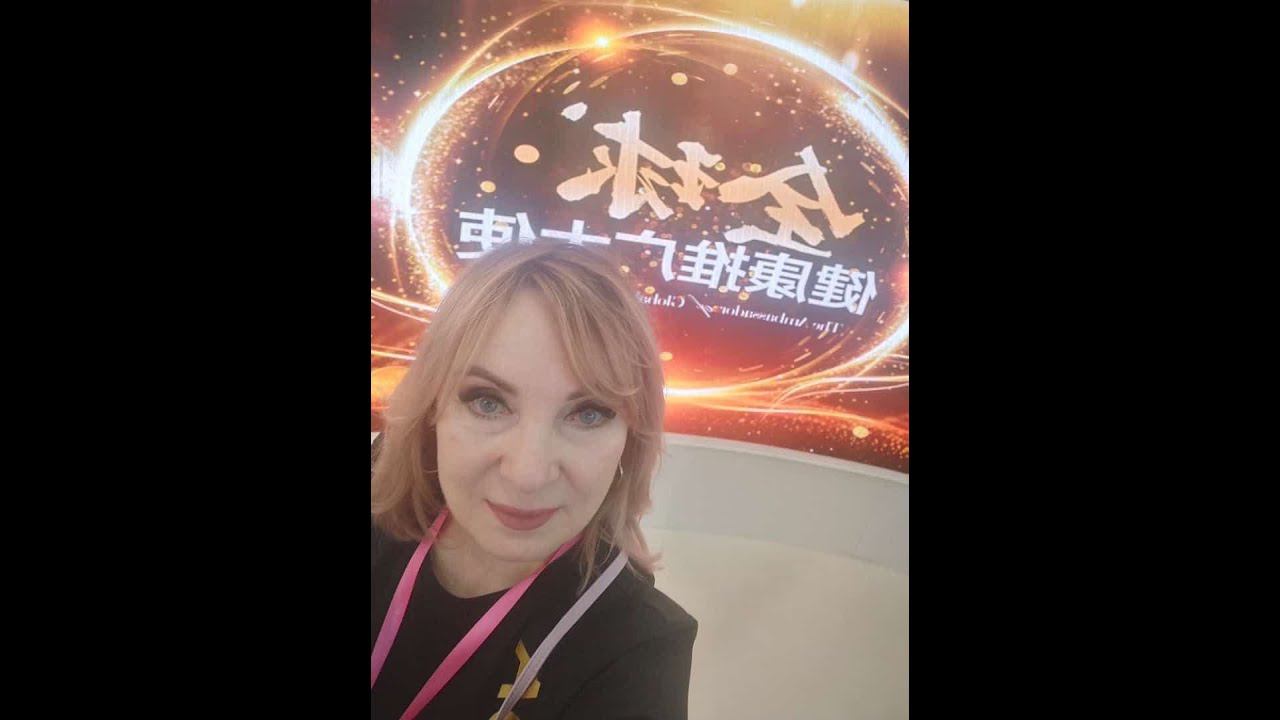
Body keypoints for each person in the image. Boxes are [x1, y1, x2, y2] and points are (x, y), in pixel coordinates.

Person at [371, 241, 696, 719]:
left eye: (588, 413)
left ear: (631, 439)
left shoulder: (637, 648)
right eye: (487, 402)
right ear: (432, 409)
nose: (528, 475)